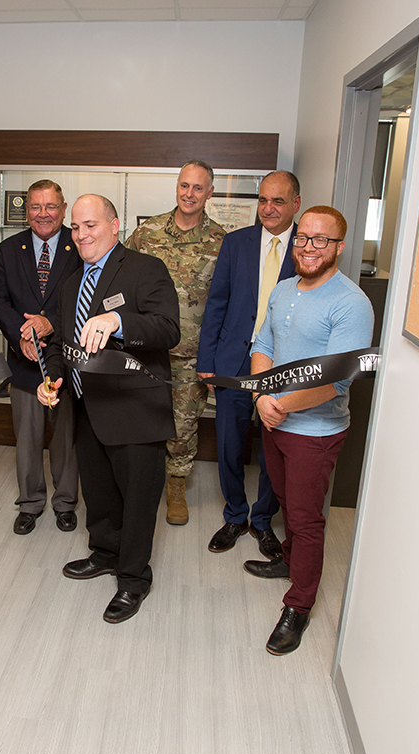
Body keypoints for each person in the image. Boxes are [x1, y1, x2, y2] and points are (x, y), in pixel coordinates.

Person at [38, 194, 179, 624]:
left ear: (114, 226)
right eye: (75, 228)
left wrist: (118, 322)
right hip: (86, 409)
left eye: (91, 225)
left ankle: (133, 578)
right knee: (98, 494)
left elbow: (168, 329)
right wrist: (53, 380)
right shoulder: (68, 285)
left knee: (137, 500)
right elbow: (64, 345)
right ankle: (104, 552)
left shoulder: (144, 269)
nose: (81, 235)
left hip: (134, 410)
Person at [243, 205, 374, 656]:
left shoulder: (351, 303)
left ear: (339, 247)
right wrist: (262, 398)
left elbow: (335, 380)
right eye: (303, 239)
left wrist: (275, 405)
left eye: (321, 240)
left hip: (314, 430)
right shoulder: (283, 289)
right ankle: (291, 563)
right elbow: (262, 345)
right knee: (284, 502)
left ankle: (298, 605)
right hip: (274, 418)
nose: (309, 247)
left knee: (304, 517)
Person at [196, 170, 300, 560]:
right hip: (233, 363)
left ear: (295, 204)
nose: (268, 209)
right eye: (263, 200)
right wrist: (208, 361)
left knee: (273, 450)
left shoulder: (304, 249)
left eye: (277, 201)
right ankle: (235, 515)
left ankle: (262, 520)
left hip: (281, 368)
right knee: (228, 445)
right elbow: (217, 302)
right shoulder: (236, 243)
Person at [124, 160, 227, 525]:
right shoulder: (147, 232)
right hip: (146, 348)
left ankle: (176, 485)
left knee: (183, 426)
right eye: (185, 186)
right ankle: (139, 483)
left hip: (190, 353)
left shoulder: (221, 241)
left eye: (198, 188)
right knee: (141, 419)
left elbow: (226, 301)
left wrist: (214, 356)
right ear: (177, 187)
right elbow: (120, 274)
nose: (190, 194)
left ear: (209, 193)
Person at [0, 179, 80, 535]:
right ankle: (30, 503)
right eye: (35, 207)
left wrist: (49, 324)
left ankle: (66, 502)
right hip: (24, 360)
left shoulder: (81, 247)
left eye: (51, 206)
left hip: (66, 361)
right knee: (26, 437)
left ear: (63, 208)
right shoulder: (7, 249)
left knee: (65, 436)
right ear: (26, 210)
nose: (43, 214)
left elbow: (86, 300)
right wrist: (21, 335)